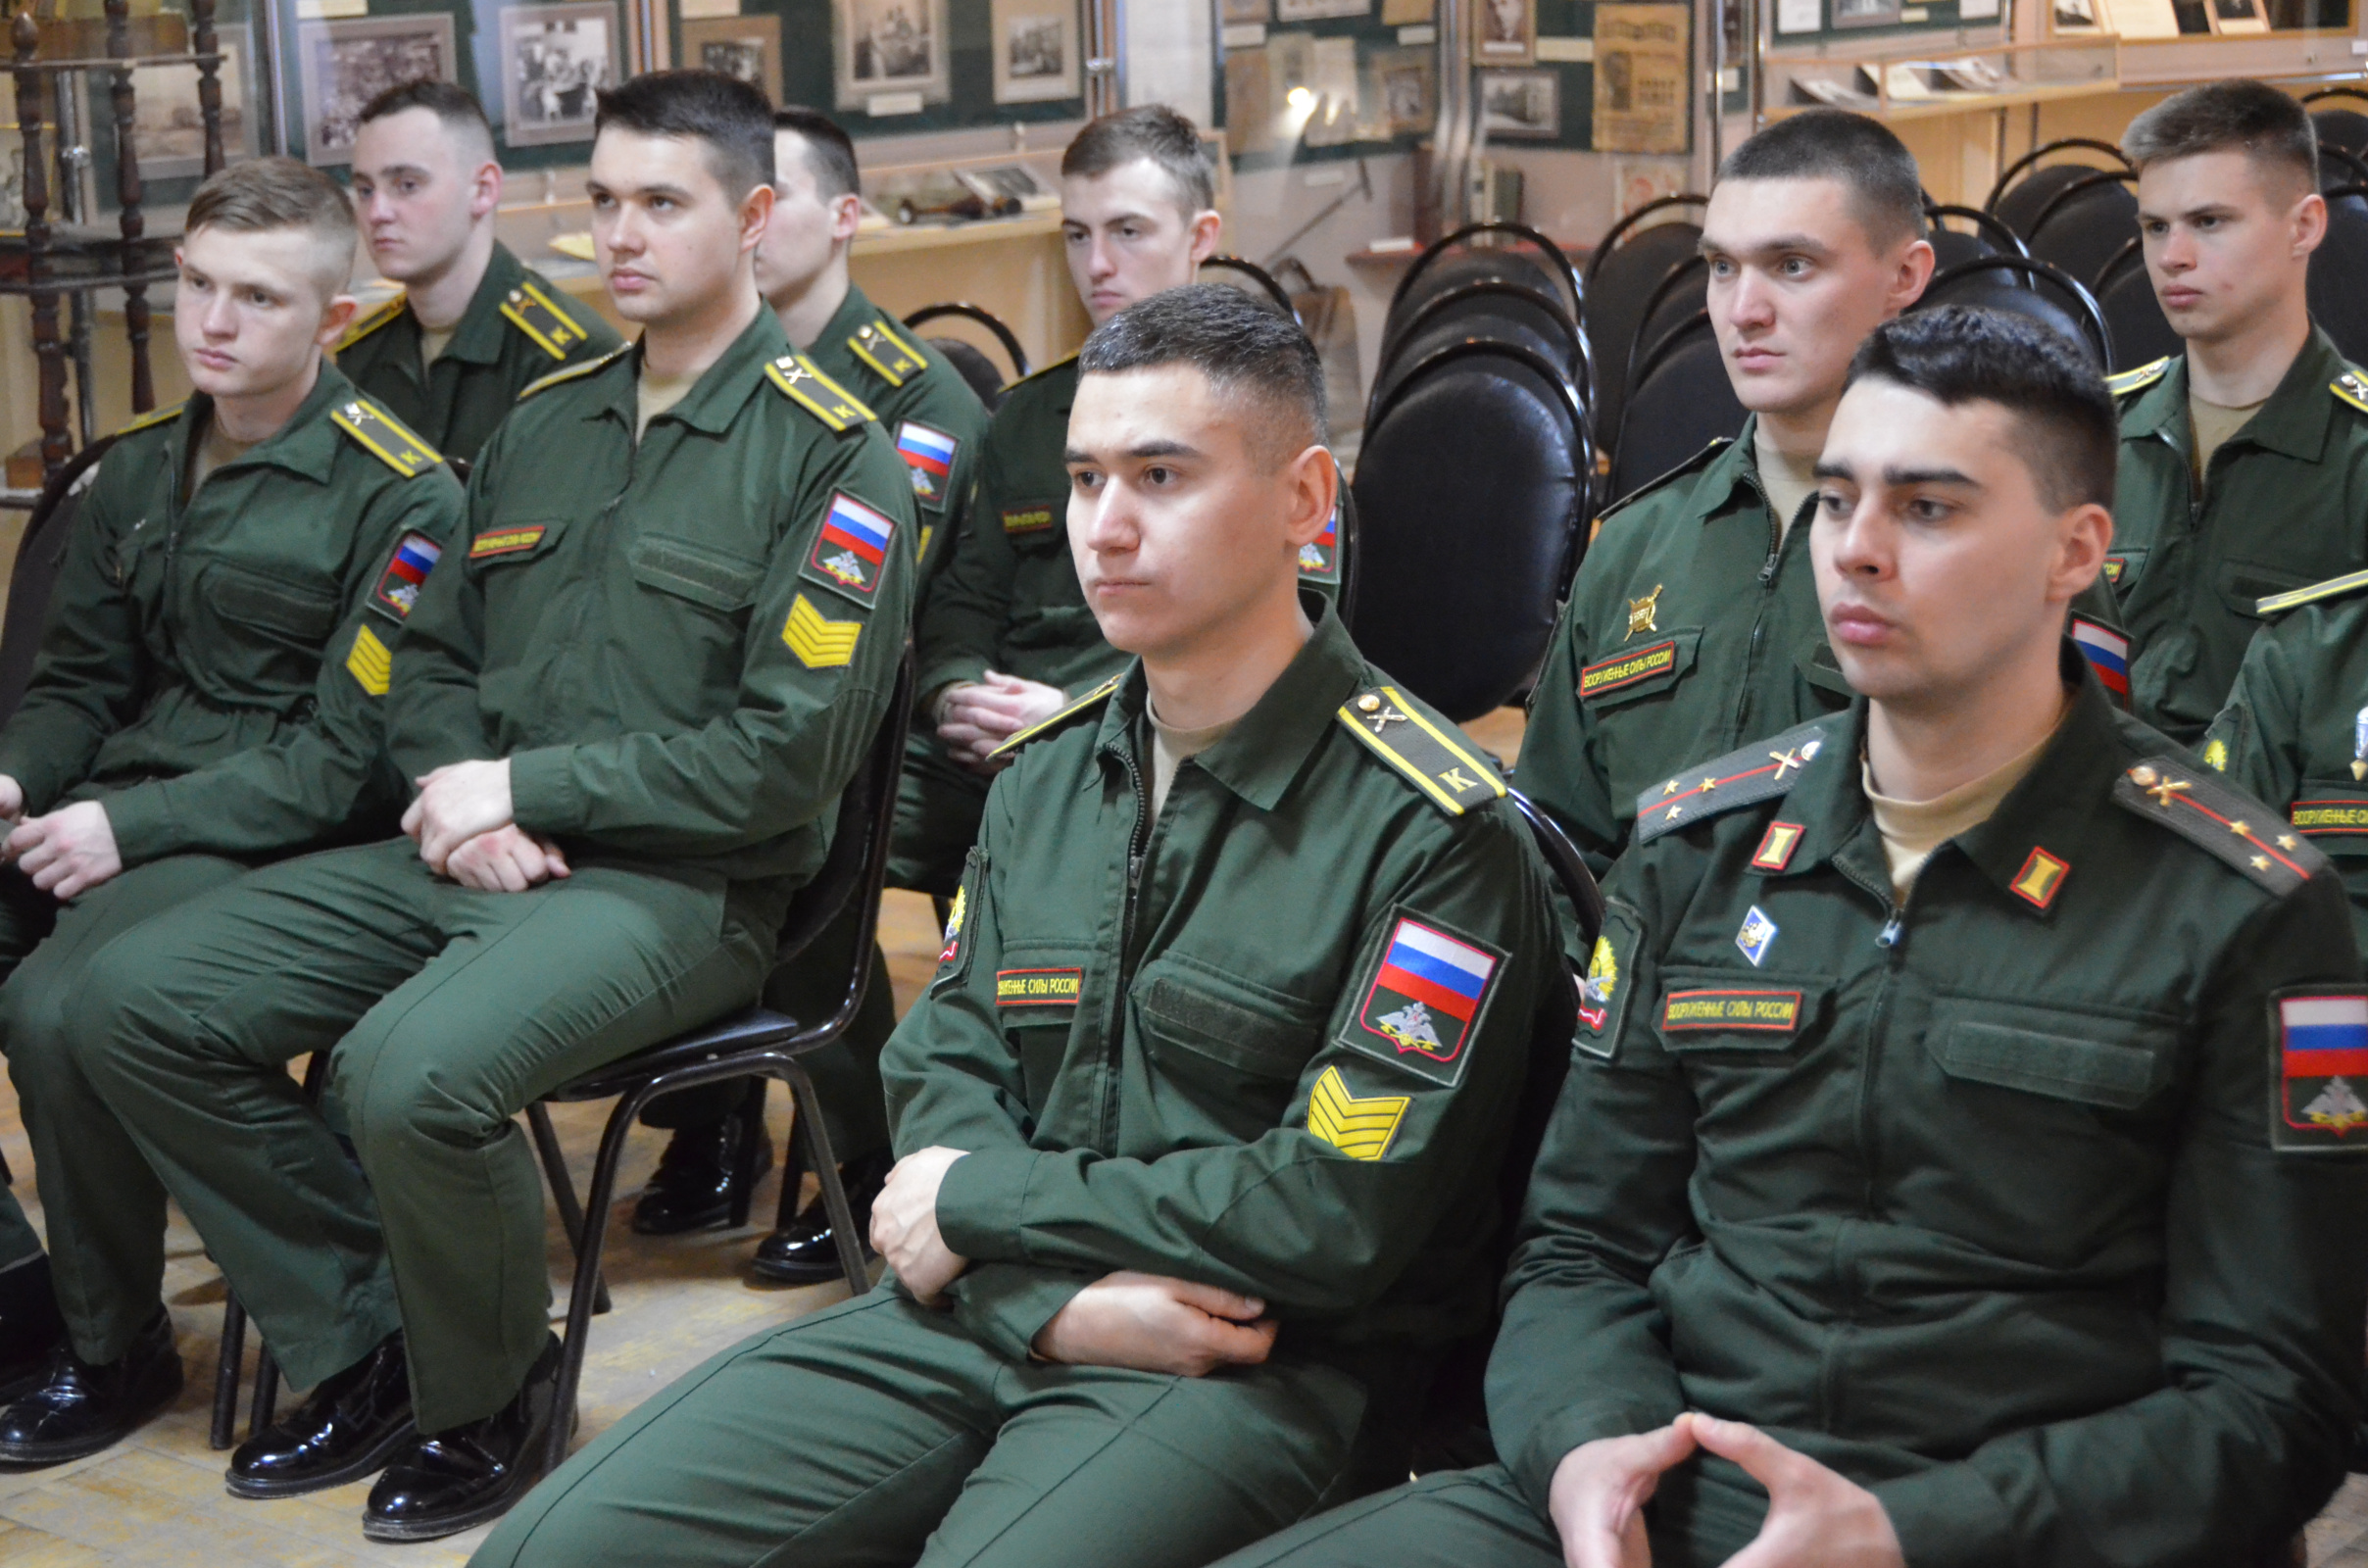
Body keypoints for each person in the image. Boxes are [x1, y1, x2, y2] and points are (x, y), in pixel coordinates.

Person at [1212, 306, 2368, 1568]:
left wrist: (1906, 1532)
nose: (1856, 551)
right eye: (1835, 499)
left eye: (1927, 509)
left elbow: (2272, 1401)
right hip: (1668, 1490)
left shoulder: (2241, 906)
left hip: (2012, 1527)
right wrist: (1589, 1449)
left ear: (2074, 550)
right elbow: (1581, 1246)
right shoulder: (1697, 847)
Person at [469, 283, 1563, 1568]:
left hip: (1251, 1361)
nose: (1105, 526)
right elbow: (947, 1064)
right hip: (985, 1312)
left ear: (1303, 501)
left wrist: (986, 1202)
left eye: (1162, 476)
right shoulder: (1045, 776)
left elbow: (1328, 1212)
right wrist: (1049, 1297)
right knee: (550, 1552)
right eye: (1087, 478)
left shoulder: (1433, 830)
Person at [63, 71, 916, 1542]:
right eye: (604, 200)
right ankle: (374, 1341)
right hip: (471, 855)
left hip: (683, 891)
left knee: (406, 1073)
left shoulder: (835, 457)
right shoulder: (545, 423)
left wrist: (530, 784)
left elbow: (783, 761)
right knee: (126, 1002)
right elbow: (431, 661)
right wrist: (469, 797)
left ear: (754, 216)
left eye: (663, 202)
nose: (620, 234)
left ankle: (495, 1397)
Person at [0, 157, 464, 1464]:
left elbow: (348, 762)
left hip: (270, 828)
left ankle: (117, 1343)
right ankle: (22, 1293)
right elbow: (77, 685)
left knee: (53, 1008)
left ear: (333, 318)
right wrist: (19, 776)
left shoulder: (403, 491)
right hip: (115, 793)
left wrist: (125, 829)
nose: (212, 322)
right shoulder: (141, 468)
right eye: (198, 284)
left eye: (257, 298)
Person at [1515, 113, 2128, 879]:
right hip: (1641, 948)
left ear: (1904, 276)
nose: (1743, 310)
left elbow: (2081, 833)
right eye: (1723, 267)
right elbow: (1552, 849)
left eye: (1793, 265)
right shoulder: (1636, 545)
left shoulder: (2004, 543)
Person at [629, 105, 992, 1274]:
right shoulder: (691, 372)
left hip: (871, 725)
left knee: (791, 832)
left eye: (775, 194)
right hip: (711, 708)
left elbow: (865, 620)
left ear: (842, 218)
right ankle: (715, 1109)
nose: (756, 219)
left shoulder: (911, 398)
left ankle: (863, 1149)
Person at [2106, 78, 2368, 746]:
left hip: (2284, 808)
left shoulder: (2358, 453)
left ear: (2303, 227)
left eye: (2209, 222)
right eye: (2155, 227)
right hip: (2094, 798)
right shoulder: (2093, 433)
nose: (2172, 257)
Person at [335, 79, 620, 461]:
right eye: (366, 190)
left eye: (407, 185)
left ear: (483, 190)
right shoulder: (362, 355)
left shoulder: (570, 357)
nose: (377, 213)